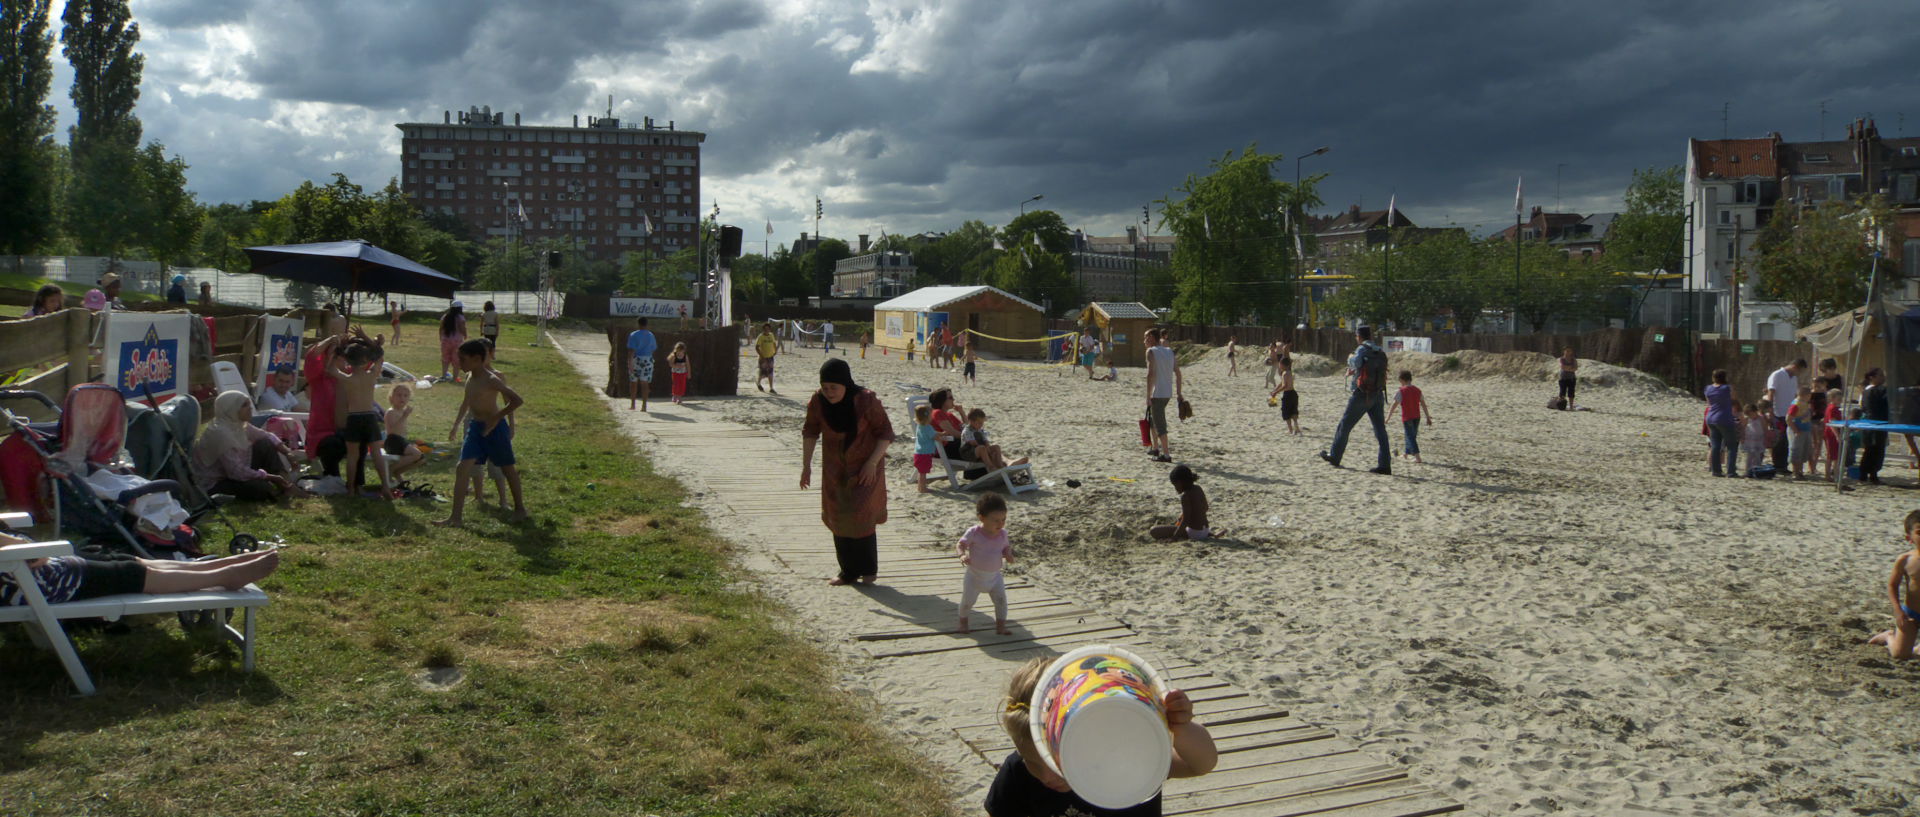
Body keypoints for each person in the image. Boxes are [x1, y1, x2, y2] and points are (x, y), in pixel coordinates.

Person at [983, 654, 1217, 817]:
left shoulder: (1126, 760)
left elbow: (1201, 764)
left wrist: (1181, 726)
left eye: (1055, 759)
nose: (1046, 776)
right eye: (1033, 763)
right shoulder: (1019, 773)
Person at [800, 359, 894, 586]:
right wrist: (806, 465)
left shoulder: (866, 400)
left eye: (834, 387)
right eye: (825, 387)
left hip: (866, 467)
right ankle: (847, 571)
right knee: (838, 515)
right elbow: (810, 431)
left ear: (845, 384)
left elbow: (886, 433)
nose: (829, 392)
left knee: (861, 515)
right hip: (834, 469)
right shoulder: (818, 401)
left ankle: (869, 569)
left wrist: (872, 463)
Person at [0, 531, 281, 607]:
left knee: (129, 562)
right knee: (129, 574)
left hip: (40, 575)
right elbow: (36, 557)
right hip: (41, 584)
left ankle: (216, 565)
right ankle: (223, 577)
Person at [436, 339, 526, 526]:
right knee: (462, 469)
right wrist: (456, 424)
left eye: (462, 359)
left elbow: (516, 400)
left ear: (477, 359)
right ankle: (455, 518)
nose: (458, 362)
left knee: (508, 469)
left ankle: (520, 509)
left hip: (495, 429)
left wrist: (497, 418)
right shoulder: (470, 376)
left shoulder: (491, 379)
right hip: (476, 428)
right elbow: (467, 402)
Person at [191, 390, 298, 502]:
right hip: (216, 482)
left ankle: (287, 485)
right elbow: (236, 472)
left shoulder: (237, 424)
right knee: (260, 488)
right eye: (244, 405)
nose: (250, 408)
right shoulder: (220, 434)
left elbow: (267, 436)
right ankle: (281, 487)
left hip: (232, 473)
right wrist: (269, 477)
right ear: (231, 409)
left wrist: (288, 453)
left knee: (265, 444)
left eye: (249, 404)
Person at [1321, 325, 1393, 474]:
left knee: (1345, 425)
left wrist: (1350, 358)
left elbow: (1356, 363)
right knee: (1380, 430)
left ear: (1359, 336)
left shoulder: (1361, 349)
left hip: (1361, 394)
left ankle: (1335, 455)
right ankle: (1385, 464)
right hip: (1378, 393)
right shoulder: (1379, 350)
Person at [330, 341, 391, 498]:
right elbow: (380, 356)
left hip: (354, 417)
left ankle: (350, 489)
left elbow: (329, 368)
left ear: (348, 361)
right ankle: (385, 486)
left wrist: (335, 350)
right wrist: (368, 342)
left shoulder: (347, 379)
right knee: (377, 452)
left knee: (352, 456)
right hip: (370, 416)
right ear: (364, 359)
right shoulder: (372, 375)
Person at [957, 492, 1014, 635]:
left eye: (1003, 519)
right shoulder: (974, 532)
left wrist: (1008, 553)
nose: (1000, 524)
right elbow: (961, 544)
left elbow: (1006, 546)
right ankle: (963, 623)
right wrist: (962, 555)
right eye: (995, 520)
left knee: (1001, 602)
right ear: (982, 518)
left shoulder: (1003, 534)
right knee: (967, 602)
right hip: (974, 576)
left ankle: (1000, 626)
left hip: (995, 577)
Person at [1867, 509, 1920, 660]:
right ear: (1909, 538)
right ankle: (1889, 636)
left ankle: (1916, 647)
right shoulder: (1905, 560)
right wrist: (1898, 611)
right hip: (1911, 614)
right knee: (1900, 654)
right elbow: (1892, 585)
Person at [1148, 463, 1216, 543]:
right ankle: (1209, 534)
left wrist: (1174, 537)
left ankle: (1185, 536)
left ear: (1180, 483)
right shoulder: (1198, 488)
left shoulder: (1185, 496)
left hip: (1194, 533)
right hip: (1205, 530)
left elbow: (1185, 521)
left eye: (1175, 485)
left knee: (1154, 530)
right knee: (1180, 521)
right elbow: (1205, 508)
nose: (1175, 488)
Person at [1143, 328, 1182, 463]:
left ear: (1152, 338)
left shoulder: (1151, 352)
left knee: (1160, 424)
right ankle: (1155, 448)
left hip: (1157, 392)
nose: (1144, 341)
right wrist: (1179, 393)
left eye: (1146, 338)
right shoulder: (1169, 351)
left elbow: (1150, 374)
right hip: (1167, 392)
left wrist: (1148, 396)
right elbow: (1178, 373)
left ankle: (1166, 455)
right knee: (1153, 420)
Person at [1766, 358, 1806, 470]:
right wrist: (1770, 410)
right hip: (1778, 412)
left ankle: (1783, 465)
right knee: (1779, 440)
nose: (1799, 373)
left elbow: (1794, 396)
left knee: (1787, 440)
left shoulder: (1794, 379)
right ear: (1795, 367)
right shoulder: (1777, 375)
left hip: (1789, 413)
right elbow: (1771, 392)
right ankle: (1778, 465)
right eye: (1800, 370)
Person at [1389, 370, 1435, 464]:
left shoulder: (1401, 391)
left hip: (1407, 417)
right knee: (1410, 435)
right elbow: (1423, 404)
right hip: (1417, 417)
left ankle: (1418, 457)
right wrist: (1427, 417)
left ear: (1402, 380)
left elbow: (1394, 405)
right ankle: (1406, 453)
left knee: (1410, 436)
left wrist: (1388, 417)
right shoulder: (1417, 390)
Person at [963, 409, 1028, 472]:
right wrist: (986, 449)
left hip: (980, 449)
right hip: (968, 452)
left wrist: (988, 446)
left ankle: (1001, 465)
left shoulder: (979, 430)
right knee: (982, 448)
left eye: (982, 423)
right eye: (979, 423)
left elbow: (985, 439)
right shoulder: (967, 430)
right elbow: (973, 443)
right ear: (971, 421)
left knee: (996, 447)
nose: (981, 425)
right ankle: (991, 467)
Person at [1703, 369, 1739, 478]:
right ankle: (1731, 471)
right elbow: (1734, 399)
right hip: (1724, 418)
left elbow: (1709, 403)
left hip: (1710, 417)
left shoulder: (1708, 389)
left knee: (1715, 445)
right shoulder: (1727, 388)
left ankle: (1716, 470)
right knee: (1732, 446)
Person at [384, 382, 424, 480]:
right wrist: (404, 416)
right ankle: (391, 469)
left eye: (405, 396)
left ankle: (397, 472)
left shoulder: (402, 412)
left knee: (421, 459)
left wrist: (409, 445)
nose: (402, 398)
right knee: (416, 454)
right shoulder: (391, 412)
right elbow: (392, 430)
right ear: (391, 397)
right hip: (393, 441)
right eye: (399, 395)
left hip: (401, 441)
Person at [1860, 368, 1890, 484]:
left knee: (1872, 449)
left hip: (1872, 422)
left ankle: (1867, 473)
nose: (1883, 378)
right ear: (1872, 377)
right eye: (1880, 375)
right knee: (1874, 449)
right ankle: (1871, 474)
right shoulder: (1875, 391)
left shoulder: (1867, 391)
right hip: (1876, 422)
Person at [625, 317, 658, 411]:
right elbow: (653, 348)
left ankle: (633, 404)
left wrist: (630, 362)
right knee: (645, 383)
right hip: (647, 359)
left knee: (633, 382)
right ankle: (644, 406)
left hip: (636, 359)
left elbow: (631, 350)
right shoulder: (651, 335)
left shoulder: (633, 335)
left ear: (638, 324)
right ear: (647, 324)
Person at [927, 388, 968, 463]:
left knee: (986, 450)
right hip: (944, 448)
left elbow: (966, 428)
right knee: (980, 450)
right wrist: (969, 436)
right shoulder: (937, 413)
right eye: (950, 398)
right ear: (942, 401)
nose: (953, 399)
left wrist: (962, 413)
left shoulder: (949, 415)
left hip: (953, 445)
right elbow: (952, 432)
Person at [1787, 386, 1815, 479]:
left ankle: (1800, 471)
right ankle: (1795, 472)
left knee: (1803, 451)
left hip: (1805, 430)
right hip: (1798, 431)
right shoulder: (1796, 404)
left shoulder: (1805, 403)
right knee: (1796, 451)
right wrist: (1796, 430)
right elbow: (1788, 418)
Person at [1270, 355, 1300, 436]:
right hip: (1293, 393)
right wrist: (1275, 389)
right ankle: (1296, 427)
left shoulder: (1284, 374)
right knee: (1293, 410)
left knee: (1286, 412)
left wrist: (1276, 392)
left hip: (1287, 394)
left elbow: (1285, 386)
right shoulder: (1289, 372)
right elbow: (1282, 383)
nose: (1279, 366)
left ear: (1283, 365)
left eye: (1280, 364)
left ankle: (1290, 430)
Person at [438, 301, 468, 382]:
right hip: (457, 340)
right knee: (456, 360)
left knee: (445, 358)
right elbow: (462, 328)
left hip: (446, 339)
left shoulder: (445, 316)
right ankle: (455, 378)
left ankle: (444, 375)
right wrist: (465, 334)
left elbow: (441, 327)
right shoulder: (460, 317)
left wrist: (440, 336)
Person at [911, 403, 937, 493]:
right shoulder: (928, 427)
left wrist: (940, 434)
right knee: (923, 473)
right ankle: (923, 488)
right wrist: (941, 436)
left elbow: (932, 434)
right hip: (925, 453)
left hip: (918, 453)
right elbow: (935, 436)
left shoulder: (920, 426)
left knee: (921, 472)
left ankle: (920, 487)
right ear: (927, 417)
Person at [1740, 402, 1772, 477]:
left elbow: (1765, 429)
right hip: (1749, 440)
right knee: (1749, 456)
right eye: (1748, 415)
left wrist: (1766, 438)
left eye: (1751, 414)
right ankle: (1748, 471)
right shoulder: (1747, 419)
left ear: (1755, 411)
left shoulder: (1761, 419)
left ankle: (1757, 471)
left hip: (1759, 439)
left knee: (1758, 456)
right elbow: (1743, 428)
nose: (1750, 416)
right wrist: (1742, 437)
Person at [755, 322, 779, 394]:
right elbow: (757, 347)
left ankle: (771, 388)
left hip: (770, 357)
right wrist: (761, 356)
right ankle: (758, 383)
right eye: (765, 329)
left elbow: (774, 343)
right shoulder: (761, 336)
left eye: (768, 329)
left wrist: (775, 351)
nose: (767, 330)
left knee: (770, 373)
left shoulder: (771, 335)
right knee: (762, 373)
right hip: (763, 358)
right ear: (763, 329)